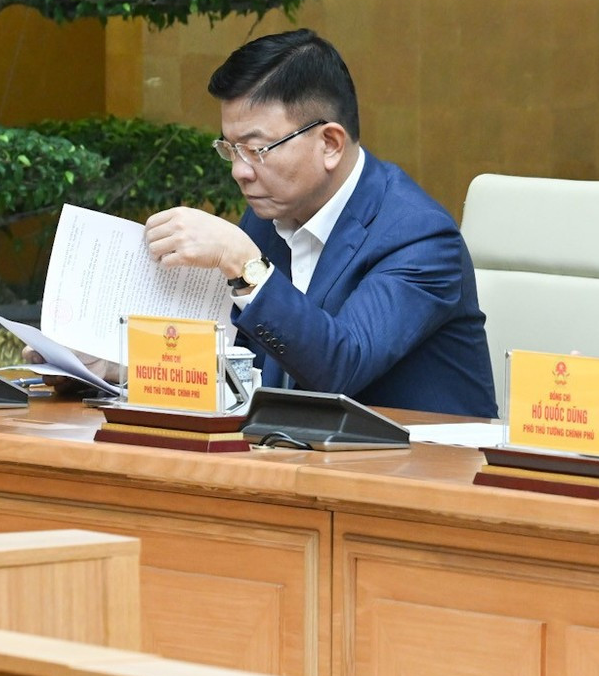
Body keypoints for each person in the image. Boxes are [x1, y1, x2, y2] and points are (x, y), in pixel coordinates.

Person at [142, 29, 496, 417]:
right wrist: (130, 365)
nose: (239, 171)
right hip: (290, 444)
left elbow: (342, 366)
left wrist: (245, 266)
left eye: (256, 150)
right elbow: (239, 359)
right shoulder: (268, 216)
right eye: (231, 149)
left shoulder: (419, 237)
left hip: (416, 453)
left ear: (330, 144)